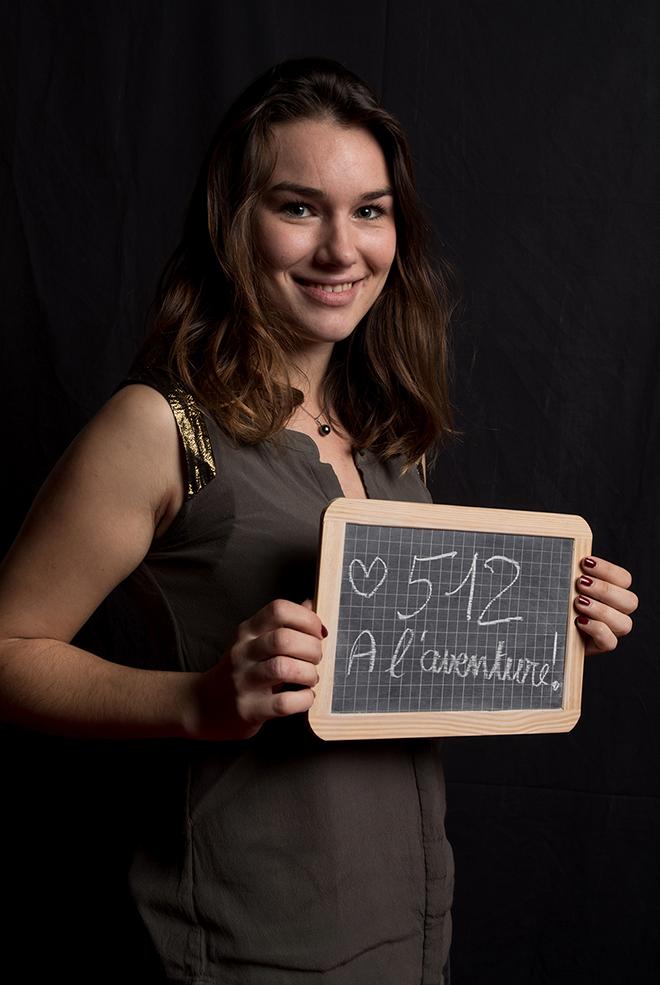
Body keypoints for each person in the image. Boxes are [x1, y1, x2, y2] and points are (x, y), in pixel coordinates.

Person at [0, 58, 637, 984]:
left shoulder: (391, 437)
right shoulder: (157, 427)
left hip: (411, 935)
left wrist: (557, 619)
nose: (343, 249)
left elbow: (408, 658)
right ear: (234, 223)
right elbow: (9, 645)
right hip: (244, 945)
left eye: (370, 210)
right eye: (299, 207)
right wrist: (196, 703)